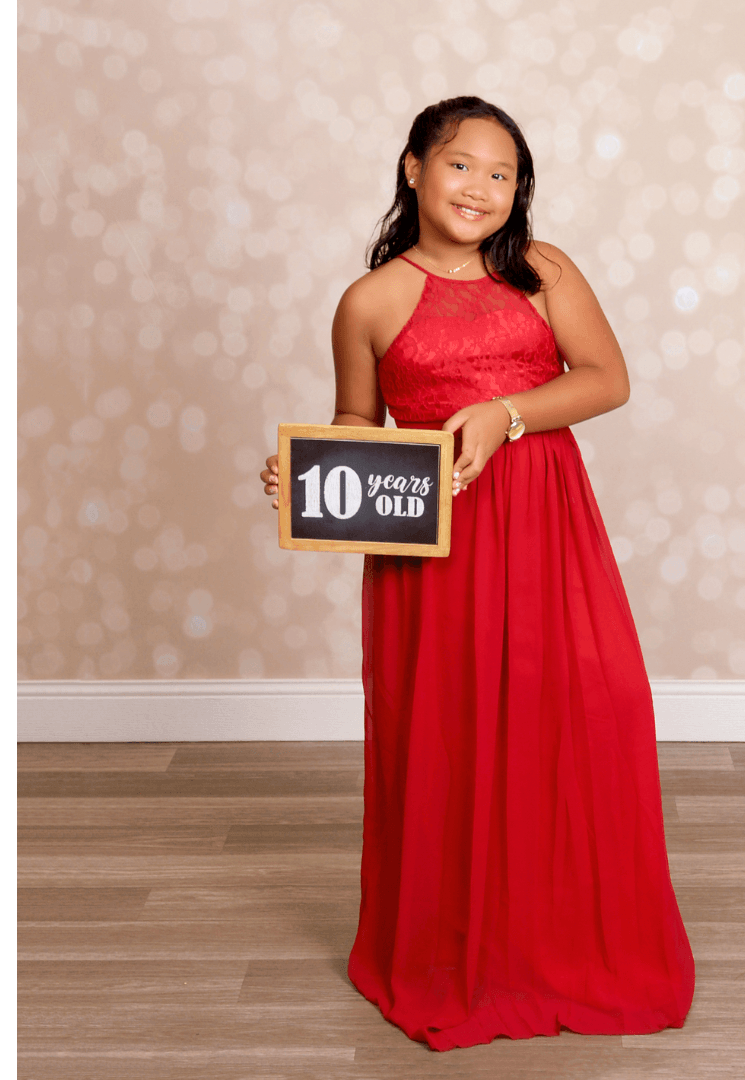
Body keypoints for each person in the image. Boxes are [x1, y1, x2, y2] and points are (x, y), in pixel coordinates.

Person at [260, 95, 695, 1052]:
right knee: (451, 736)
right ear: (413, 167)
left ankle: (565, 941)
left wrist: (507, 413)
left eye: (503, 175)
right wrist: (304, 469)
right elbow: (355, 430)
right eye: (462, 165)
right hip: (433, 550)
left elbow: (607, 378)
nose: (482, 188)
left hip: (544, 521)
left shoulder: (542, 271)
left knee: (585, 709)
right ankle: (457, 949)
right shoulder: (368, 302)